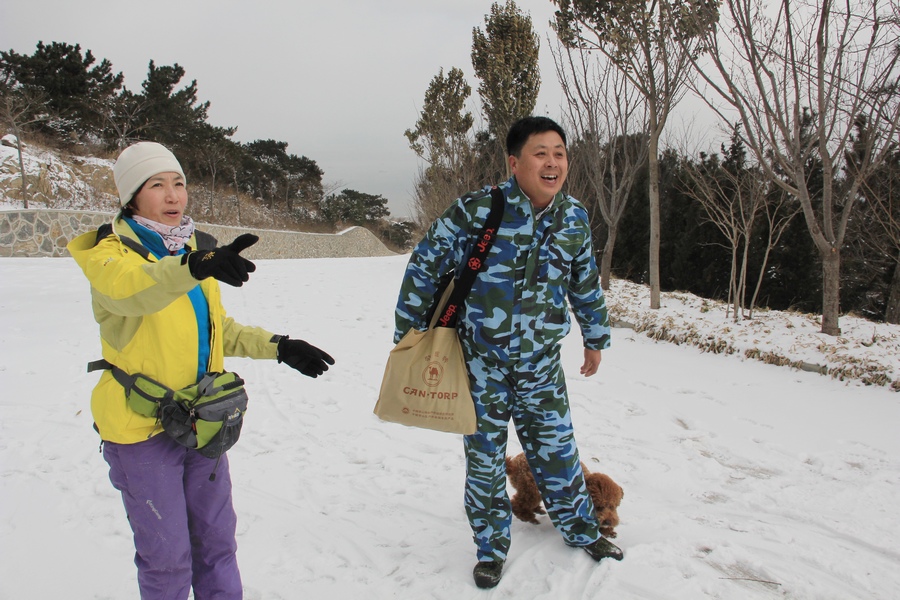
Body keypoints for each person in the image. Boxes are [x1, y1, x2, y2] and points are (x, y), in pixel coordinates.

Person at [67, 141, 334, 599]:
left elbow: (216, 329)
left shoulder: (191, 249)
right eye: (157, 186)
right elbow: (137, 290)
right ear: (132, 197)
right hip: (140, 432)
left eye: (179, 184)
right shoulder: (109, 257)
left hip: (203, 423)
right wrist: (193, 266)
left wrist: (280, 347)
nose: (173, 196)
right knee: (168, 561)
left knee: (217, 545)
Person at [394, 117, 622, 589]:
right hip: (480, 365)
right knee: (484, 461)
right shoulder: (478, 210)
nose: (552, 162)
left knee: (558, 452)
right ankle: (491, 548)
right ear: (515, 162)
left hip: (541, 365)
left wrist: (595, 336)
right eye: (541, 153)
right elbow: (425, 262)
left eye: (559, 153)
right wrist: (409, 334)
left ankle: (581, 528)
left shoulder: (574, 217)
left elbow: (584, 282)